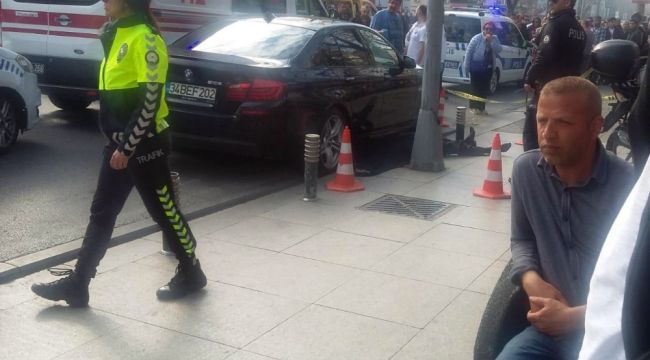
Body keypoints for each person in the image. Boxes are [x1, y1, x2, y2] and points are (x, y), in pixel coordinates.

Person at [30, 0, 207, 307]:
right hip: (119, 144)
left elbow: (150, 100)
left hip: (143, 144)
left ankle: (191, 271)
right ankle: (78, 283)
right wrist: (120, 144)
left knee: (164, 211)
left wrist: (128, 146)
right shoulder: (117, 35)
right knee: (102, 212)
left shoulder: (146, 38)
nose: (105, 2)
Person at [496, 76, 634, 360]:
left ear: (596, 126)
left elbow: (638, 283)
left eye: (563, 123)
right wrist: (530, 278)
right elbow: (522, 238)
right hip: (548, 334)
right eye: (542, 120)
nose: (547, 133)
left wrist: (574, 318)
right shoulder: (526, 171)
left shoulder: (628, 186)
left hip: (611, 333)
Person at [523, 0, 585, 151]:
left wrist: (529, 78)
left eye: (554, 1)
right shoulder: (579, 29)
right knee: (560, 136)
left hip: (548, 89)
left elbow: (544, 55)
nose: (550, 3)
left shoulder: (555, 24)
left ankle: (533, 170)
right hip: (569, 90)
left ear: (566, 2)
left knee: (533, 134)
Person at [463, 21, 502, 116]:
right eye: (486, 29)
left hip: (487, 68)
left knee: (484, 89)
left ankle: (481, 108)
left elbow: (499, 49)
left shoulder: (495, 39)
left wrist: (491, 42)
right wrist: (466, 67)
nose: (488, 31)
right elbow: (468, 53)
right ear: (483, 29)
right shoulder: (476, 38)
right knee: (475, 88)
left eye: (491, 29)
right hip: (476, 67)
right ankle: (473, 107)